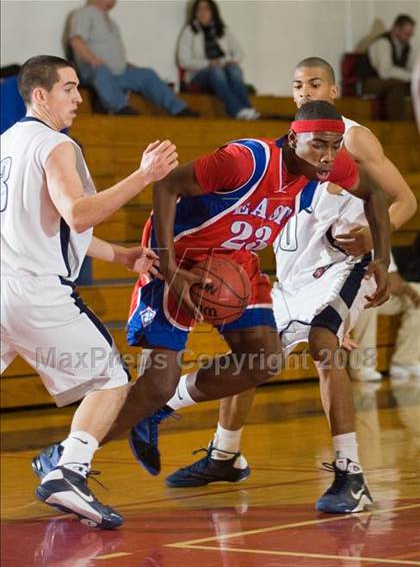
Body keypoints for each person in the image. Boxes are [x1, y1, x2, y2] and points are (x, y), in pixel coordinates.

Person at [32, 100, 392, 511]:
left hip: (234, 262)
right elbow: (167, 187)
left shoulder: (328, 164)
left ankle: (158, 414)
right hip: (180, 258)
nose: (328, 157)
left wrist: (380, 257)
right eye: (318, 146)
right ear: (294, 138)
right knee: (156, 384)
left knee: (264, 360)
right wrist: (166, 262)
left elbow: (375, 192)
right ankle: (63, 459)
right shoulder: (245, 160)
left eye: (334, 146)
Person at [126, 57, 417, 514]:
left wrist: (376, 247)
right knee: (258, 351)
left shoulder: (354, 137)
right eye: (297, 84)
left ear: (335, 89)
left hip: (342, 262)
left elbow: (402, 199)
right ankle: (224, 453)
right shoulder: (289, 139)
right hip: (295, 265)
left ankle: (351, 474)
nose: (304, 90)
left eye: (315, 83)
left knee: (325, 344)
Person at [0, 55, 178, 529]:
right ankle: (69, 472)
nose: (79, 97)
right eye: (69, 88)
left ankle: (66, 472)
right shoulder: (52, 144)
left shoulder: (5, 144)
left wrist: (117, 255)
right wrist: (144, 175)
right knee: (111, 378)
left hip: (2, 290)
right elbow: (77, 213)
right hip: (37, 295)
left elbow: (48, 224)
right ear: (40, 95)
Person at [68, 0, 198, 117]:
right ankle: (121, 109)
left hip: (117, 75)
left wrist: (126, 65)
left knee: (147, 74)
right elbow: (76, 40)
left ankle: (180, 110)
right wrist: (92, 59)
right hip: (95, 72)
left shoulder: (111, 21)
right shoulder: (84, 13)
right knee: (102, 71)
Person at [177, 0, 259, 120]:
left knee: (234, 69)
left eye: (206, 9)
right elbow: (183, 61)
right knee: (215, 70)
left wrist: (230, 61)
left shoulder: (223, 30)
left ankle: (248, 109)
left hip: (222, 68)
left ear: (213, 12)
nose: (202, 12)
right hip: (199, 75)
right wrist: (209, 63)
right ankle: (237, 111)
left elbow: (239, 53)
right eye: (199, 9)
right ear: (195, 13)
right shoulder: (189, 32)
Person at [351, 252, 420, 381]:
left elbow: (392, 275)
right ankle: (363, 365)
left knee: (418, 292)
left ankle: (405, 361)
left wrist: (404, 287)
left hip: (377, 290)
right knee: (366, 295)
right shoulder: (345, 236)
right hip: (346, 297)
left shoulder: (381, 238)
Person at [362, 14, 416, 120]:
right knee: (397, 85)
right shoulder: (382, 43)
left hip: (390, 80)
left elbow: (407, 69)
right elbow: (385, 72)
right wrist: (411, 76)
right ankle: (397, 125)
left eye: (410, 34)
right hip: (369, 81)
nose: (409, 37)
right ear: (396, 29)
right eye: (406, 33)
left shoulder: (406, 47)